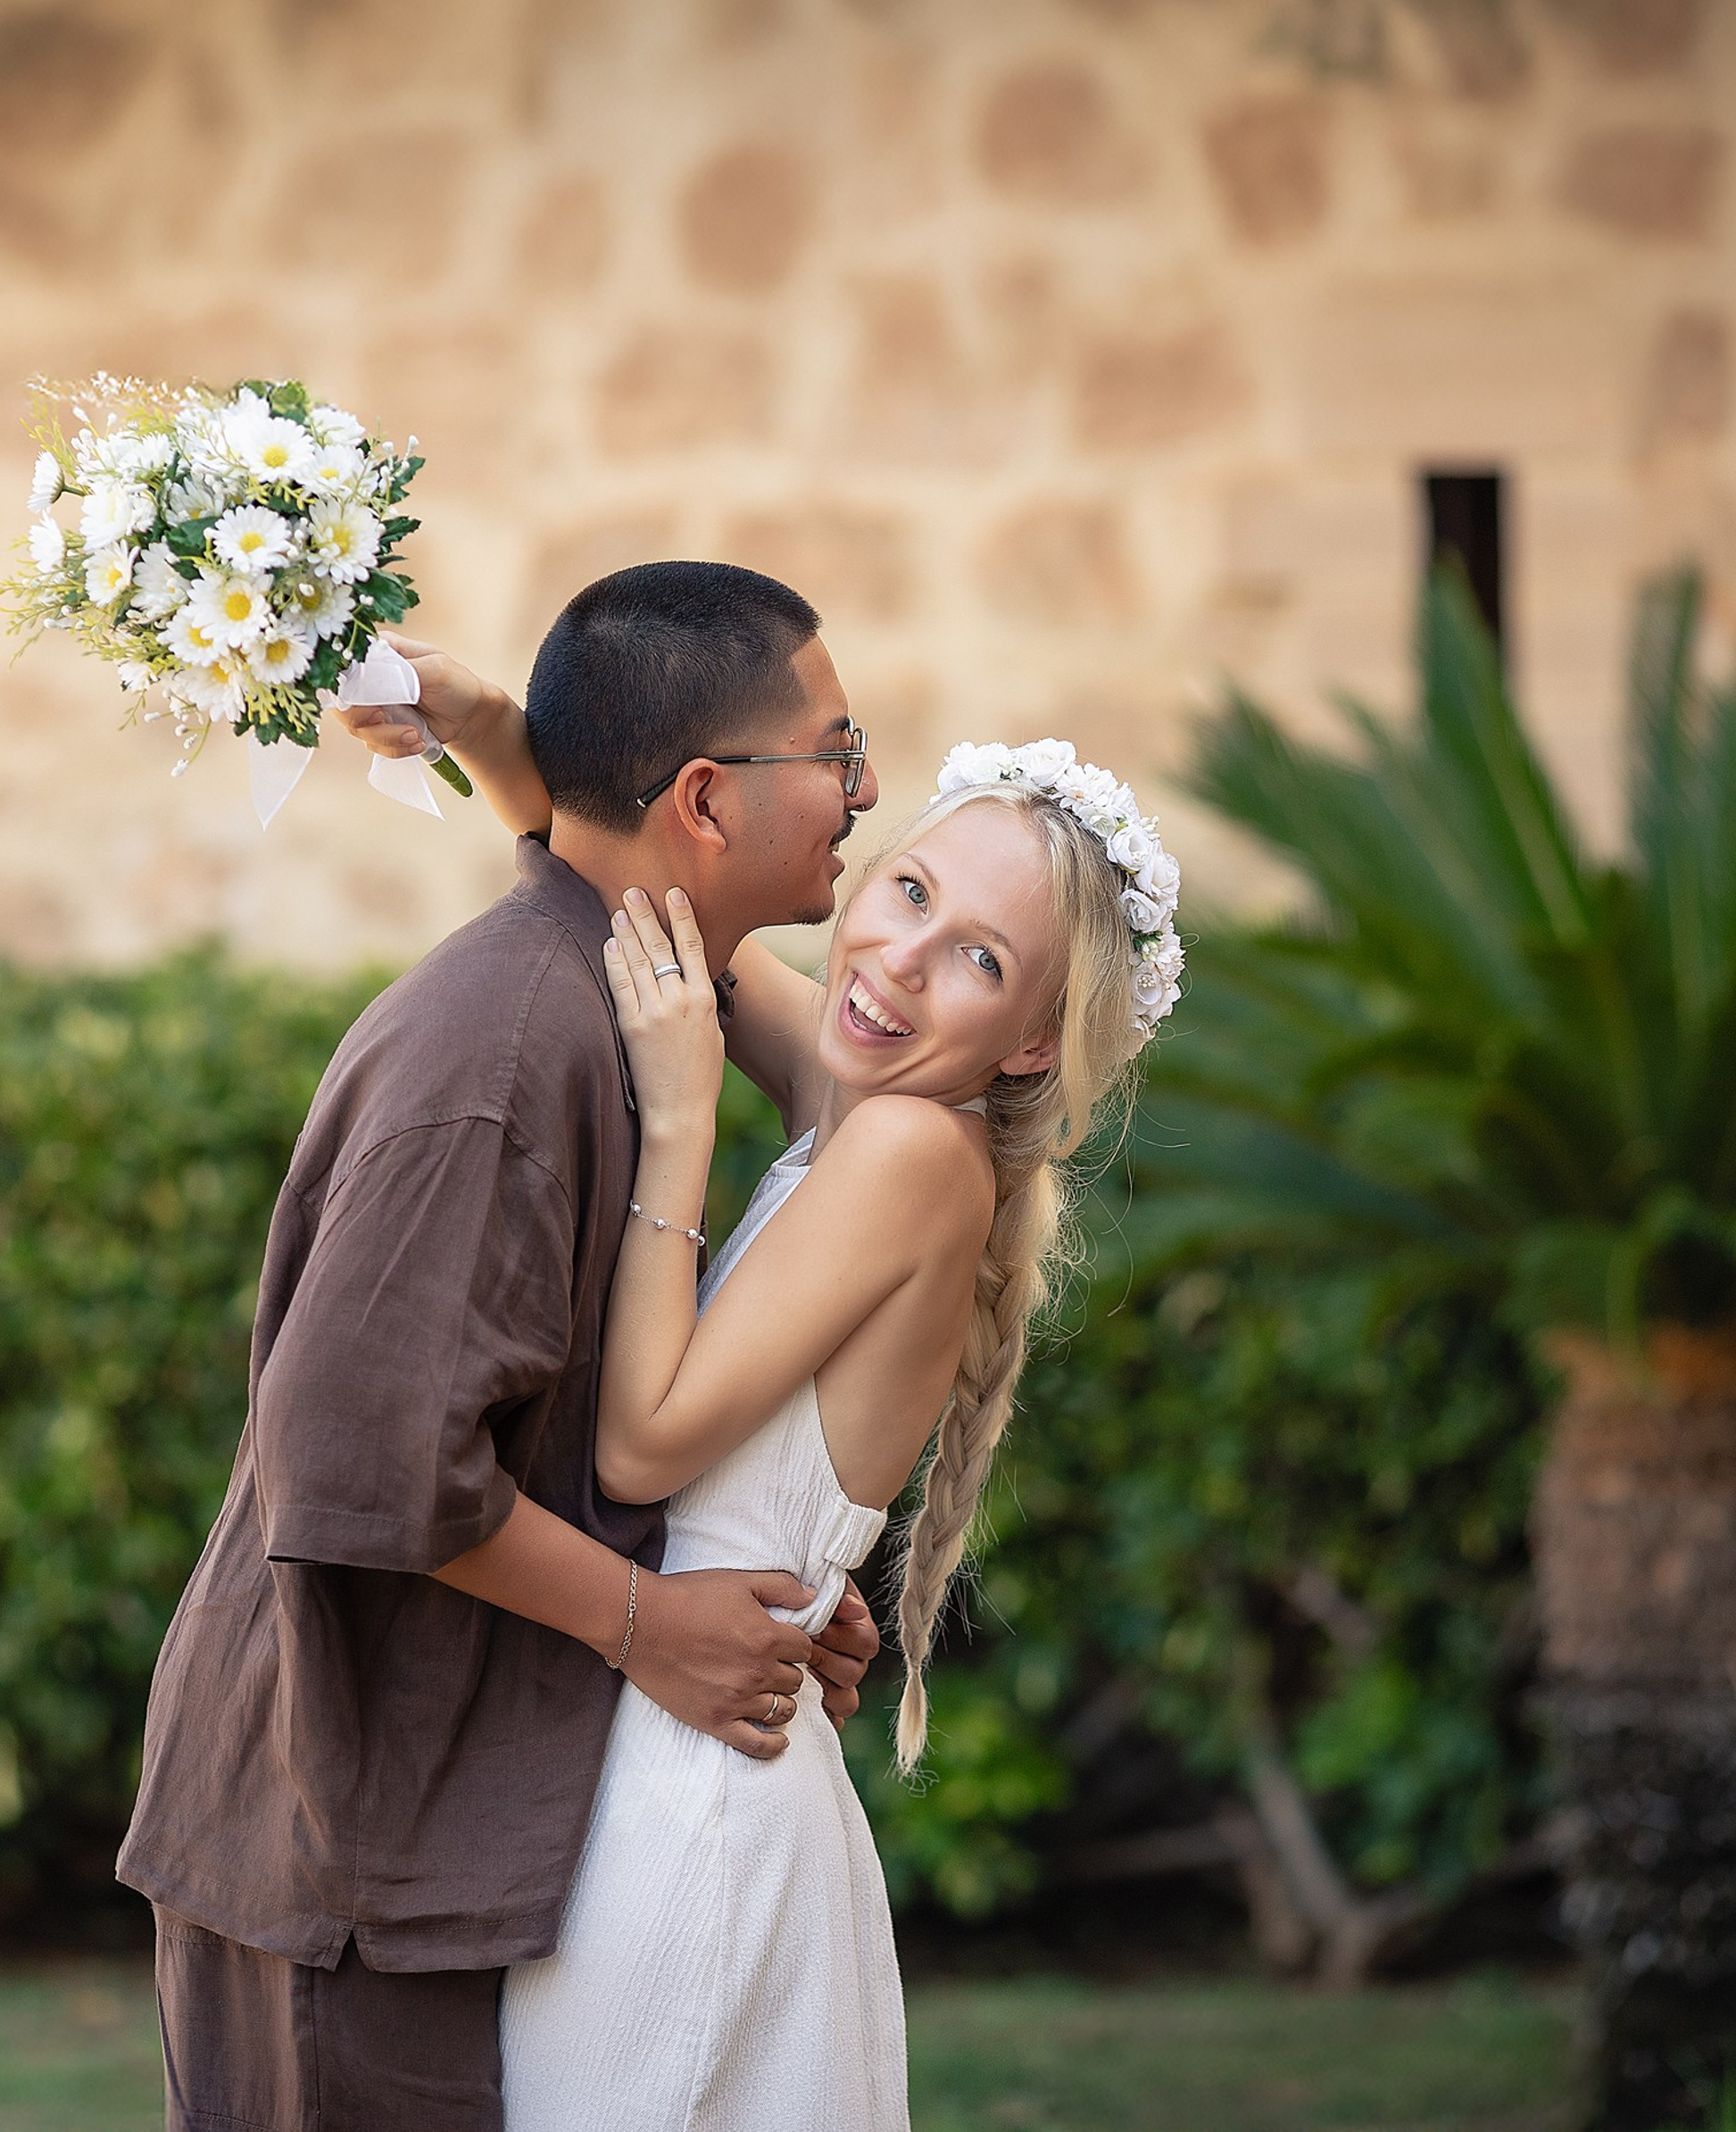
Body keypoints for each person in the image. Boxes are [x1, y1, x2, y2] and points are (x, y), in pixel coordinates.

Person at [344, 653, 1182, 2128]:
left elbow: (650, 1442)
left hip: (696, 1789)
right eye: (912, 891)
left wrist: (677, 1124)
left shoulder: (915, 1157)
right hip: (680, 1736)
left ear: (1035, 1041)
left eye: (983, 960)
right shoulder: (869, 1095)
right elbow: (635, 892)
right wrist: (485, 728)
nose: (902, 961)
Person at [118, 562, 892, 2132]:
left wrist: (755, 1575)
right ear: (704, 799)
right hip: (345, 1846)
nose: (865, 791)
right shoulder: (508, 1043)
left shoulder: (622, 988)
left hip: (438, 1825)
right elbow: (356, 1456)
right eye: (839, 750)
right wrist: (644, 1623)